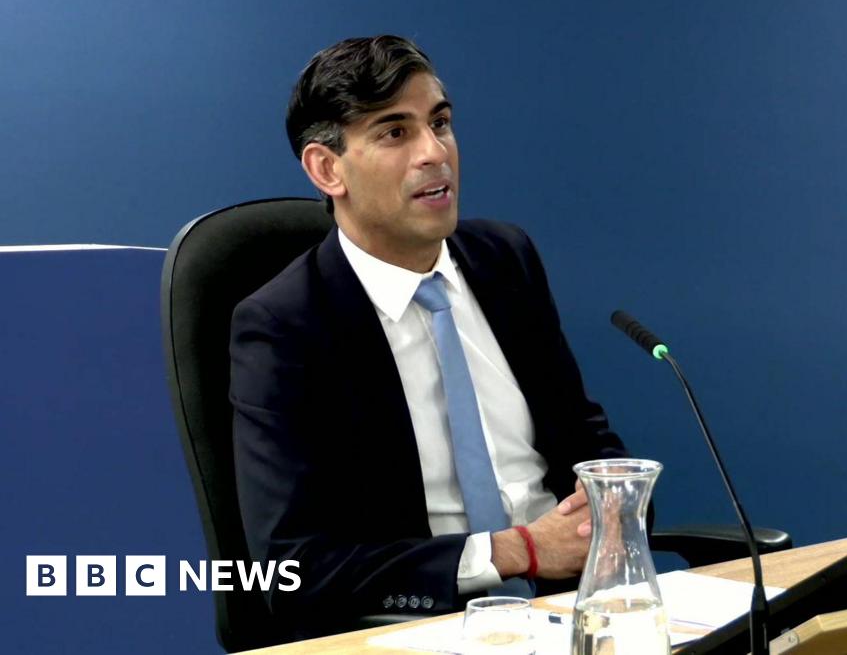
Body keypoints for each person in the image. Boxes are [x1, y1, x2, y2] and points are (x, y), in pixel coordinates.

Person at [229, 35, 631, 640]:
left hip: (571, 607)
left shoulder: (506, 260)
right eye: (395, 132)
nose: (434, 152)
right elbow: (294, 569)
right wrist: (515, 550)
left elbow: (587, 436)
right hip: (422, 626)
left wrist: (611, 504)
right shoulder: (285, 327)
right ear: (326, 168)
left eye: (439, 122)